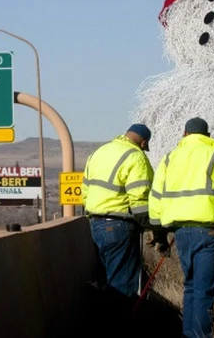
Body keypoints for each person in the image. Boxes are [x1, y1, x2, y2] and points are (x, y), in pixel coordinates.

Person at [149, 117, 214, 338]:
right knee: (204, 291)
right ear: (207, 135)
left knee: (191, 288)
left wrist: (160, 238)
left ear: (184, 134)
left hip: (182, 233)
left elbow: (156, 200)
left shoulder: (169, 159)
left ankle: (190, 334)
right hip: (210, 231)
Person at [81, 123, 154, 306]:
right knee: (123, 284)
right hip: (119, 224)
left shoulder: (98, 153)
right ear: (143, 143)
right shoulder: (135, 156)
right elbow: (139, 198)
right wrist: (148, 225)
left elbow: (85, 192)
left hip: (96, 224)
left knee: (107, 280)